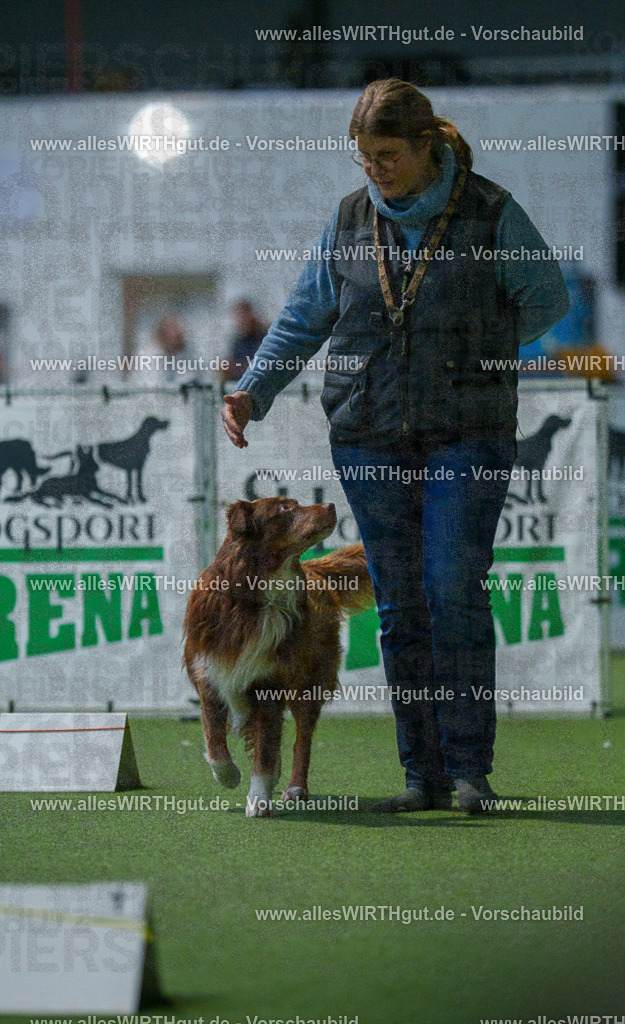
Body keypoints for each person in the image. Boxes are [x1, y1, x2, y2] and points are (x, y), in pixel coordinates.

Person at [221, 79, 570, 814]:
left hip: (467, 432)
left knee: (452, 588)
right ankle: (423, 775)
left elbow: (546, 299)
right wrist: (255, 389)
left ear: (424, 147)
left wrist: (483, 347)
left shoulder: (490, 212)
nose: (372, 169)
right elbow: (301, 318)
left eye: (385, 154)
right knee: (400, 606)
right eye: (362, 158)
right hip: (366, 434)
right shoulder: (347, 221)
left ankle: (470, 769)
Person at [220, 300, 268, 383]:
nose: (242, 320)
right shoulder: (238, 341)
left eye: (244, 315)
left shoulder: (265, 336)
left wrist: (236, 368)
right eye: (238, 316)